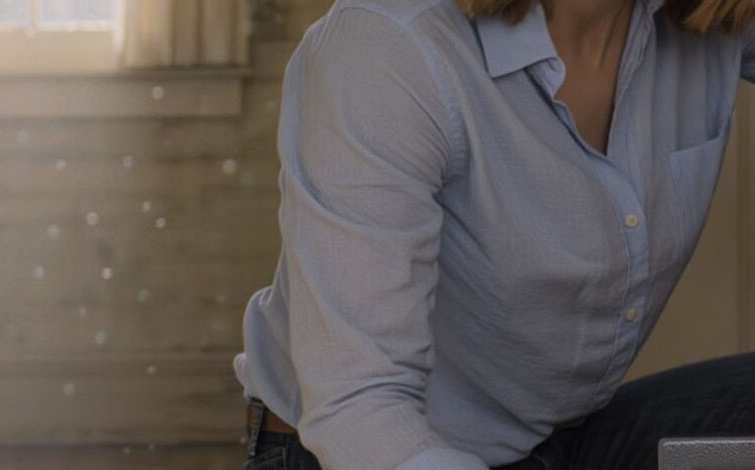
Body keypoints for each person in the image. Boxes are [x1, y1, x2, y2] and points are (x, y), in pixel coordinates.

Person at [234, 0, 755, 468]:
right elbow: (360, 408)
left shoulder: (703, 20)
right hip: (366, 449)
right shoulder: (391, 45)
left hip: (559, 439)